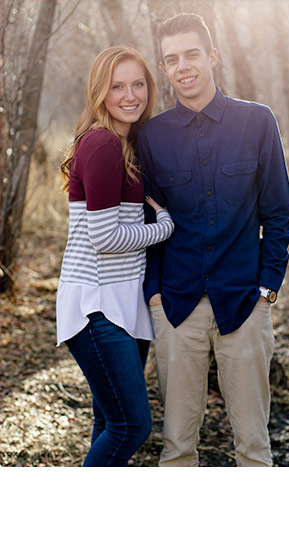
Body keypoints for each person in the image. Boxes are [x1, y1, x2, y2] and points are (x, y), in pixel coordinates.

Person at [138, 13, 289, 467]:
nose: (183, 66)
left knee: (253, 446)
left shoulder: (257, 122)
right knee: (177, 448)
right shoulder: (152, 136)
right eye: (172, 59)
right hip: (176, 306)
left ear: (212, 57)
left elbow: (280, 213)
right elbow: (147, 222)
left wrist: (267, 288)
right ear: (164, 69)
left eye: (191, 54)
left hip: (245, 302)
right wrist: (153, 293)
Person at [56, 46, 175, 466]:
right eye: (117, 86)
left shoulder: (127, 144)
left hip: (122, 301)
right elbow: (104, 237)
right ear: (100, 92)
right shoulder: (103, 143)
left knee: (108, 423)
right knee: (131, 426)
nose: (130, 95)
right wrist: (162, 229)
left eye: (138, 84)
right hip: (97, 305)